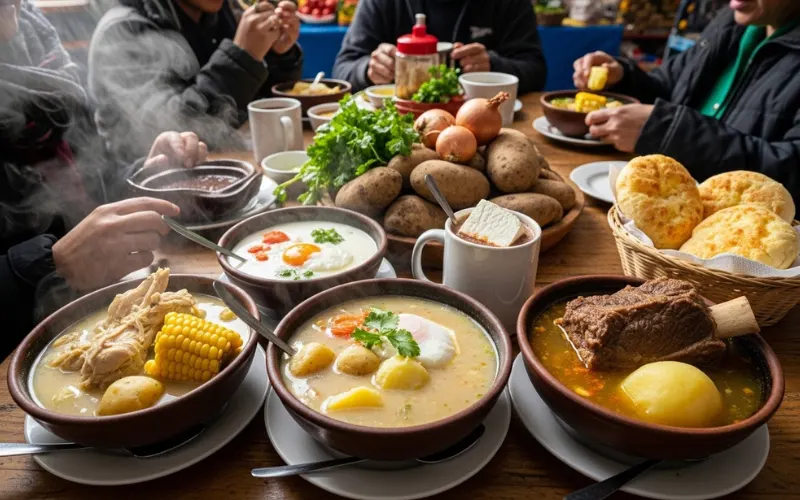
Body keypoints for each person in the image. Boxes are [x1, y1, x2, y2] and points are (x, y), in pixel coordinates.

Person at [1, 0, 208, 358]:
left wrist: (145, 173)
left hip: (93, 317)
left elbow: (81, 184)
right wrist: (50, 265)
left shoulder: (37, 47)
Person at [572, 1, 800, 200]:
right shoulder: (732, 24)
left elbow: (790, 171)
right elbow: (670, 87)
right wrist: (623, 77)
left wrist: (668, 132)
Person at [88, 0, 303, 165]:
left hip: (226, 167)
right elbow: (175, 134)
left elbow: (249, 107)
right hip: (150, 196)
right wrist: (243, 57)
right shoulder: (123, 30)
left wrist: (276, 55)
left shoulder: (220, 12)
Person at [332, 0, 547, 94]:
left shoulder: (510, 3)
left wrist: (493, 67)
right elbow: (342, 69)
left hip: (487, 126)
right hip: (400, 124)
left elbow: (536, 69)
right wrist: (370, 69)